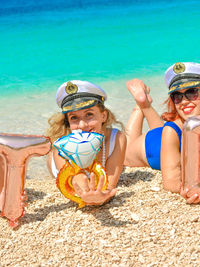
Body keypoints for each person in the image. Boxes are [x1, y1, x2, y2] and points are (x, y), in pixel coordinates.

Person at [124, 62, 200, 204]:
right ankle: (140, 105)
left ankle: (145, 104)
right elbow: (170, 181)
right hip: (148, 148)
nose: (183, 101)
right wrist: (190, 189)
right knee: (125, 151)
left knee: (164, 129)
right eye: (177, 96)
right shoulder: (171, 131)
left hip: (166, 136)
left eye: (191, 92)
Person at [46, 80, 126, 206]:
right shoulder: (60, 146)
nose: (82, 125)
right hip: (62, 168)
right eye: (74, 118)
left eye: (89, 114)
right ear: (68, 121)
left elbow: (109, 186)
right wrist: (85, 192)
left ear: (103, 116)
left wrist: (102, 197)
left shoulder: (117, 138)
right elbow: (75, 182)